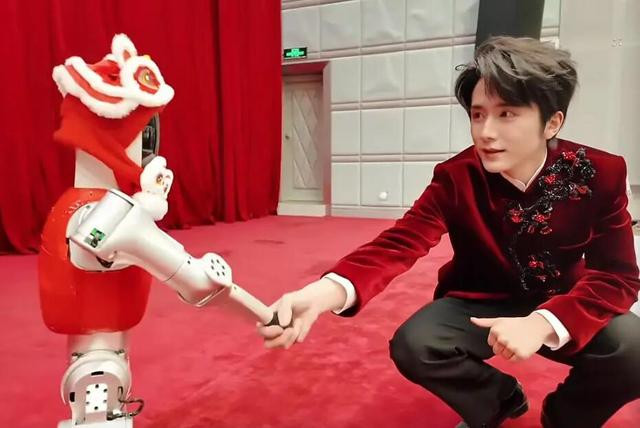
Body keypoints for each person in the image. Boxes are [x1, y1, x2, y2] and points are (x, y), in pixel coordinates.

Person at [257, 36, 640, 428]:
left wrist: (543, 323)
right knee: (416, 345)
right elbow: (400, 242)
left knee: (635, 349)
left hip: (562, 298)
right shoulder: (456, 177)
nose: (485, 132)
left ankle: (567, 416)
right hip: (481, 298)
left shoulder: (600, 173)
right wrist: (322, 293)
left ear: (552, 123)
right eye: (477, 114)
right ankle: (499, 400)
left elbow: (618, 276)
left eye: (507, 114)